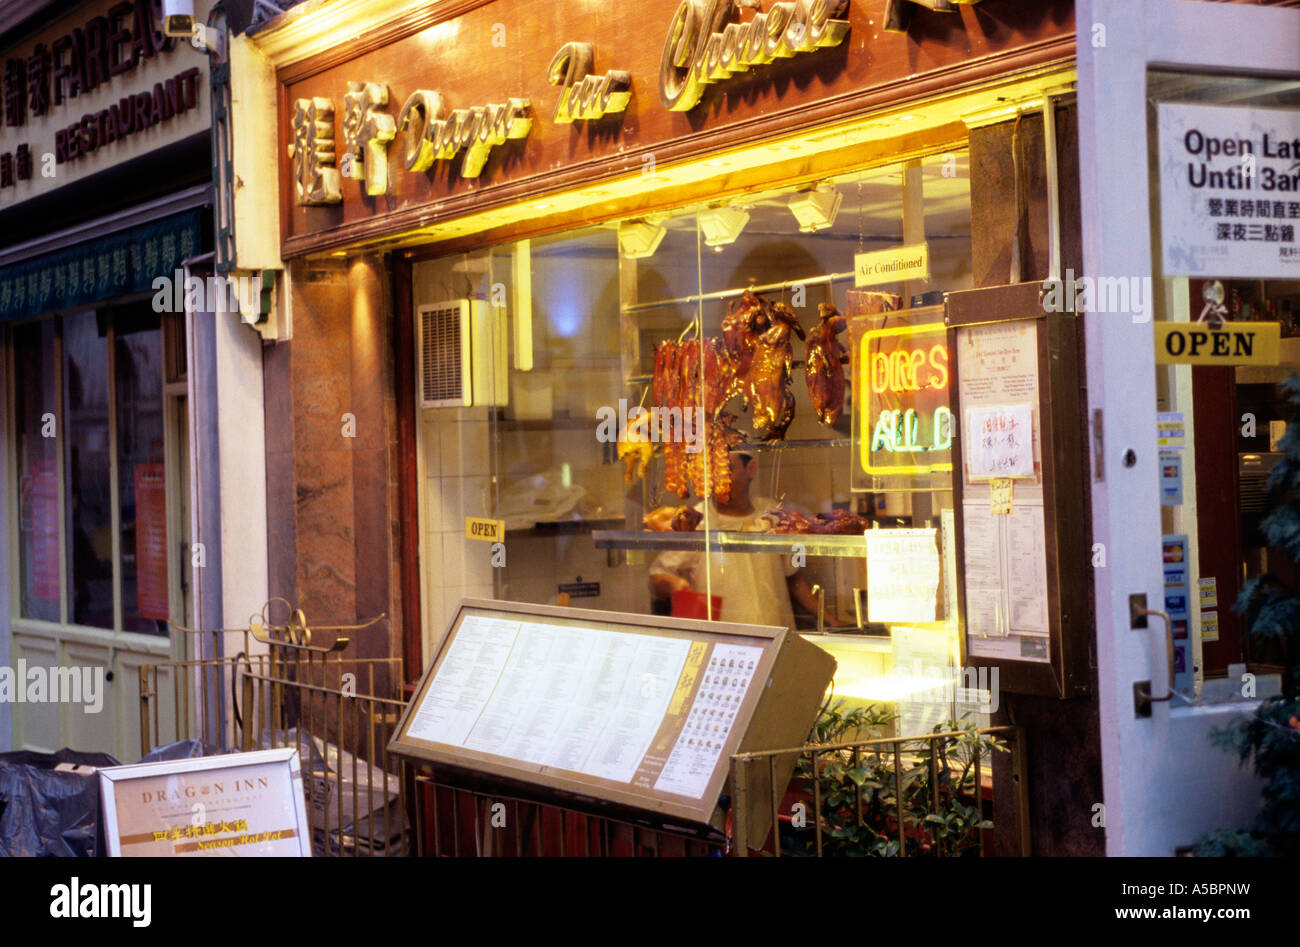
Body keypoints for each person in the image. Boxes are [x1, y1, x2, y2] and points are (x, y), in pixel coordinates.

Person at [649, 449, 845, 629]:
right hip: (725, 642)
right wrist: (673, 584)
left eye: (726, 470)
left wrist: (830, 620)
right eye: (712, 471)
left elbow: (793, 577)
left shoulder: (771, 513)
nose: (717, 479)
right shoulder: (696, 521)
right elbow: (657, 575)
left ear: (750, 469)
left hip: (776, 634)